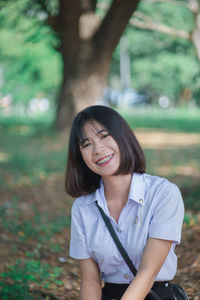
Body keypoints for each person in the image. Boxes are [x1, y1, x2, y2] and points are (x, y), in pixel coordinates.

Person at [67, 105, 184, 300]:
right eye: (86, 144)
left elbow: (148, 273)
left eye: (104, 136)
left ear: (123, 136)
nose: (98, 149)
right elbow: (90, 281)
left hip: (153, 294)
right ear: (80, 156)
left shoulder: (163, 194)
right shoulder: (82, 209)